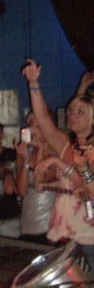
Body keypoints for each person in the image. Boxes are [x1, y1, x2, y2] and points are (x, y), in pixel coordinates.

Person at [22, 59, 94, 267]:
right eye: (71, 111)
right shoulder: (66, 146)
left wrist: (58, 163)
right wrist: (34, 84)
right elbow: (43, 119)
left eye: (80, 112)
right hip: (63, 235)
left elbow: (87, 188)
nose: (73, 116)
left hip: (89, 237)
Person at [15, 111, 56, 243]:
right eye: (32, 128)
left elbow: (41, 181)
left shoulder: (57, 152)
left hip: (50, 223)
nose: (35, 132)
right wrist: (26, 159)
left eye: (39, 127)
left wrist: (41, 149)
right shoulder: (24, 153)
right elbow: (22, 191)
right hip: (28, 222)